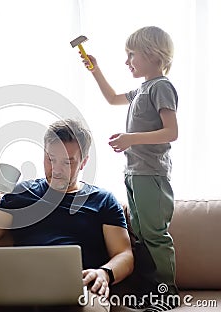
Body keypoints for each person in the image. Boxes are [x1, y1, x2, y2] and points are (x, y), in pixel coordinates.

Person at [0, 119, 134, 308]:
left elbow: (124, 254)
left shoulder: (102, 200)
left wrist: (104, 273)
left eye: (67, 162)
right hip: (23, 287)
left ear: (83, 162)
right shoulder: (22, 193)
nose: (56, 170)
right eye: (51, 159)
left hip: (80, 290)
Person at [82, 26, 179, 311]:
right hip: (135, 173)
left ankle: (167, 292)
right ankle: (151, 289)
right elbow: (112, 98)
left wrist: (130, 139)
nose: (127, 62)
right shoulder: (142, 89)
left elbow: (171, 131)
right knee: (141, 234)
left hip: (152, 174)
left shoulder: (162, 87)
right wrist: (95, 70)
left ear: (152, 54)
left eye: (131, 55)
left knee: (155, 236)